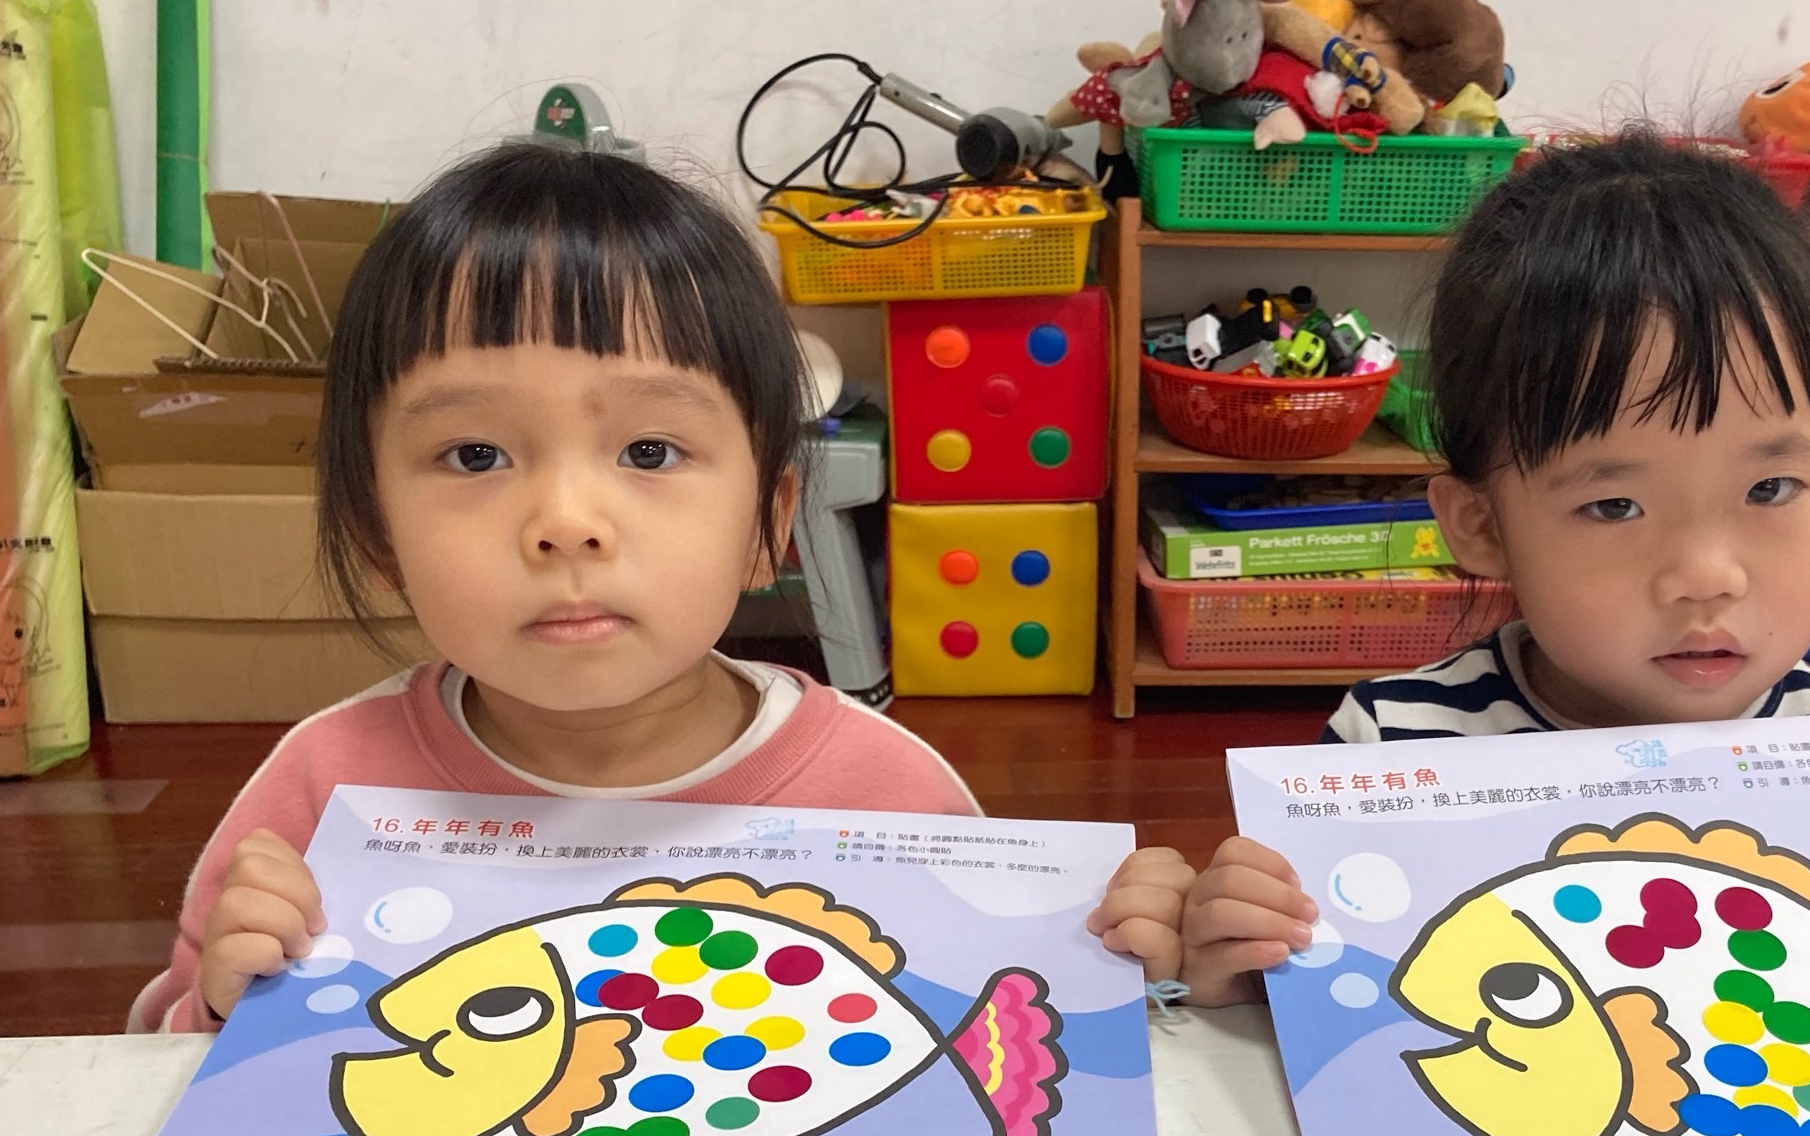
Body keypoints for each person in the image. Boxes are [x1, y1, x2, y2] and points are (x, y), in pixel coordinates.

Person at [130, 144, 1188, 1032]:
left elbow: (978, 1030)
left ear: (769, 526)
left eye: (649, 449)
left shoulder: (885, 795)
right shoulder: (324, 793)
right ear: (376, 534)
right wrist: (220, 1008)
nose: (566, 522)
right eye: (474, 455)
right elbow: (158, 1056)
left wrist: (1129, 970)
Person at [1180, 133, 1810, 1007]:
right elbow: (1337, 1008)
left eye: (1771, 489)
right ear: (1481, 527)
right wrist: (1228, 965)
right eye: (1614, 505)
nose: (1708, 576)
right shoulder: (1392, 749)